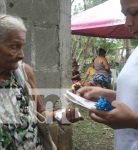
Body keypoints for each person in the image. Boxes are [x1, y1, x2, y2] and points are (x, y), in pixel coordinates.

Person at [0, 14, 82, 149]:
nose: (21, 55)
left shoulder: (24, 74)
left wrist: (58, 115)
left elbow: (40, 113)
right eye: (14, 46)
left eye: (22, 46)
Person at [77, 0, 138, 150]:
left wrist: (135, 121)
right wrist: (109, 94)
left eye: (134, 12)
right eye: (125, 15)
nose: (127, 23)